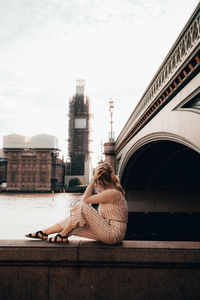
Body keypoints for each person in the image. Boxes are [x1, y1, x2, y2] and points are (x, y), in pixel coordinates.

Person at [25, 162, 128, 244]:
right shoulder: (109, 193)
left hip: (113, 234)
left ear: (99, 180)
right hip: (107, 229)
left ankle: (62, 235)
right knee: (75, 221)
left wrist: (92, 180)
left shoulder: (113, 193)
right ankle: (45, 232)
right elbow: (86, 201)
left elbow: (85, 201)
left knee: (82, 207)